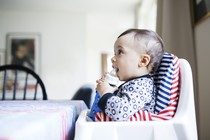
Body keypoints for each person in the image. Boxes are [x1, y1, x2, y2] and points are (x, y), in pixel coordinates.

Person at [89, 28, 164, 121]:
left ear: (143, 60)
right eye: (114, 53)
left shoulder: (142, 86)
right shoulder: (135, 83)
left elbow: (120, 112)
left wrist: (105, 92)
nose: (113, 58)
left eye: (120, 52)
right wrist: (112, 90)